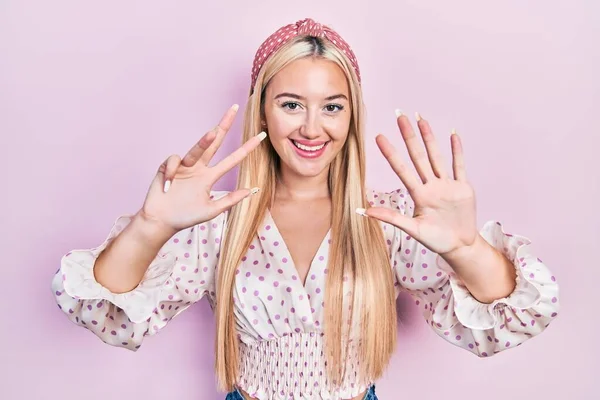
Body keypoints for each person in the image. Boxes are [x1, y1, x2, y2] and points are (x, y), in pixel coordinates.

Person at [51, 18, 560, 400]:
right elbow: (103, 316)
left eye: (332, 106)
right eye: (291, 104)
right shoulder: (220, 221)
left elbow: (517, 320)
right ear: (262, 110)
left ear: (352, 115)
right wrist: (150, 227)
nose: (312, 129)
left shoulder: (388, 221)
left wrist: (468, 249)